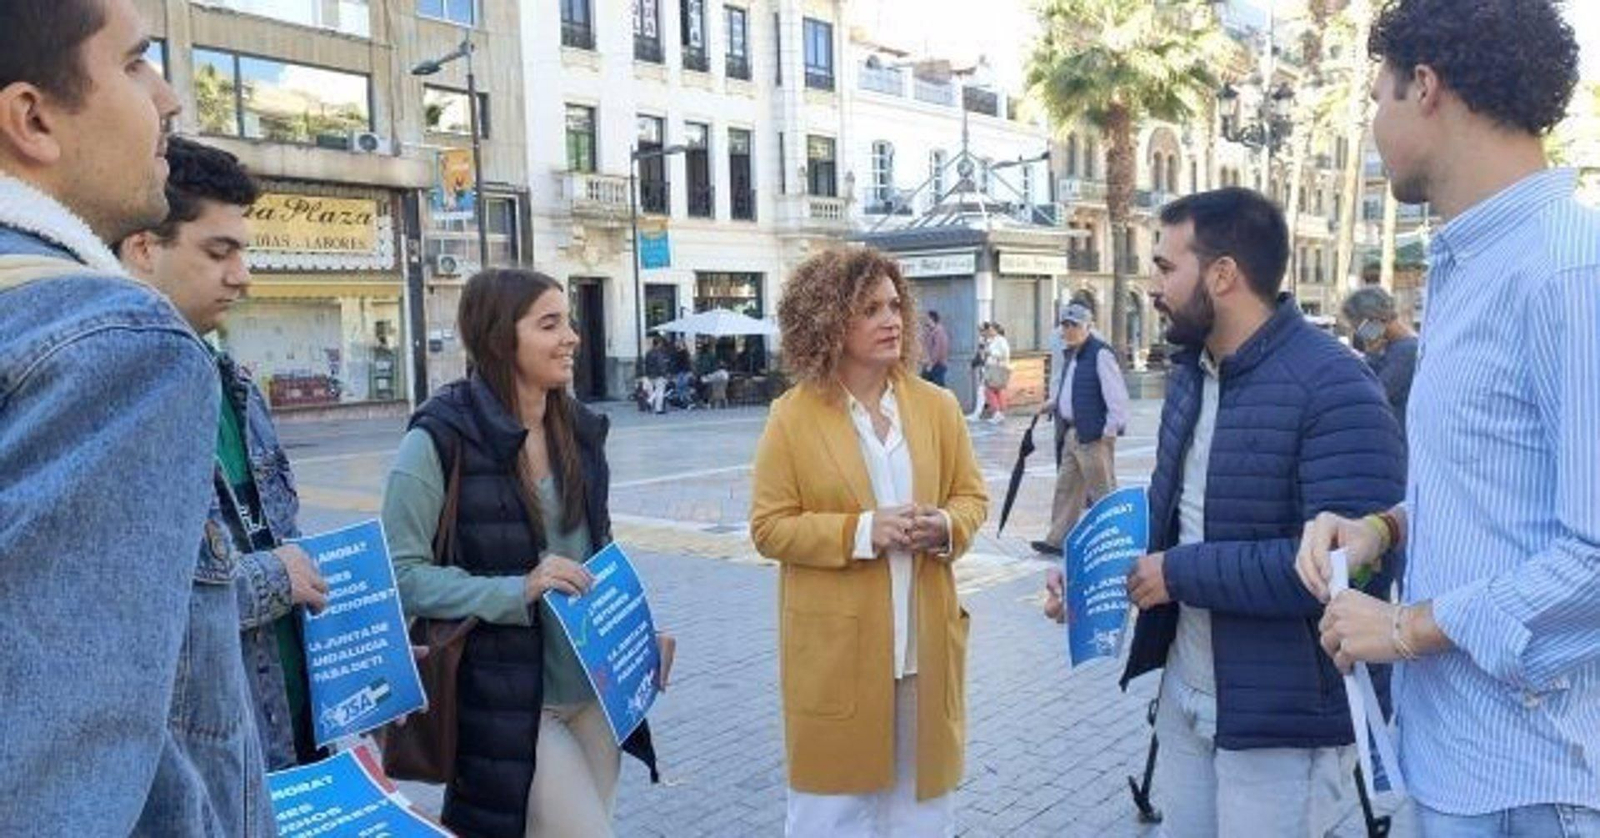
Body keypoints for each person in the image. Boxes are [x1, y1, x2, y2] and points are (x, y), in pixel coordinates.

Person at [1300, 2, 1600, 833]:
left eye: (1378, 97)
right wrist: (1383, 531)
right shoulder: (1474, 266)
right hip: (1457, 762)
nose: (1372, 125)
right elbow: (1502, 488)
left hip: (1535, 781)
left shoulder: (1569, 273)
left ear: (1424, 87)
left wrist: (1403, 627)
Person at [1046, 189, 1406, 837]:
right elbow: (1168, 511)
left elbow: (1339, 572)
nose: (1154, 286)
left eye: (1164, 267)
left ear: (1221, 275)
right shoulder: (1192, 372)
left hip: (1284, 725)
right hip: (1186, 698)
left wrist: (1177, 574)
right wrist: (1091, 577)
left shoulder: (1336, 387)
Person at [0, 1, 274, 833]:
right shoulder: (116, 344)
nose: (167, 99)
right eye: (134, 63)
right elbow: (55, 784)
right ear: (32, 118)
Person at [381, 269, 671, 837]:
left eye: (568, 321)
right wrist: (516, 589)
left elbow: (596, 552)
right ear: (499, 337)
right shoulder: (438, 438)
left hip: (597, 690)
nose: (572, 338)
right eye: (549, 324)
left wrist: (636, 636)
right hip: (509, 701)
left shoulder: (579, 431)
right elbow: (400, 575)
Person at [751, 247, 988, 837]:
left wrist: (946, 527)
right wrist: (862, 530)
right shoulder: (792, 416)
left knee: (922, 814)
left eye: (894, 305)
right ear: (829, 320)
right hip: (836, 651)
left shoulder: (936, 407)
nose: (892, 320)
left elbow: (971, 498)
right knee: (830, 815)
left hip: (924, 647)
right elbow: (769, 526)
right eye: (869, 309)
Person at [117, 136, 329, 770]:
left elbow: (278, 542)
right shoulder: (116, 397)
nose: (243, 275)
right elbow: (137, 607)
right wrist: (275, 580)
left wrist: (360, 667)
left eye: (243, 251)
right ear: (143, 250)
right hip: (212, 759)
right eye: (219, 251)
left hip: (295, 737)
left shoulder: (234, 384)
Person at [1030, 303, 1129, 556]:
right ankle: (1057, 540)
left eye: (1074, 325)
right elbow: (1072, 391)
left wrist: (1109, 431)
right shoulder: (1073, 354)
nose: (1069, 330)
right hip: (1072, 433)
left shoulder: (1100, 354)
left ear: (1088, 327)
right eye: (1065, 325)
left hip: (1094, 434)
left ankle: (1116, 540)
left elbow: (1116, 396)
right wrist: (1052, 405)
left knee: (1103, 491)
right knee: (1066, 489)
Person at [1341, 286, 1418, 439]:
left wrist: (1372, 356)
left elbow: (1373, 394)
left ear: (1373, 319)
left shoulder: (1407, 351)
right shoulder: (1389, 347)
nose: (1359, 333)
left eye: (1358, 326)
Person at [980, 321, 1012, 425]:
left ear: (996, 330)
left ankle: (997, 412)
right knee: (996, 390)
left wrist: (991, 353)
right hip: (993, 367)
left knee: (989, 390)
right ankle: (999, 414)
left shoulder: (1001, 340)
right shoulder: (992, 340)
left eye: (991, 329)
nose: (989, 331)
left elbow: (1005, 353)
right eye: (989, 329)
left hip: (997, 368)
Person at [919, 309, 950, 386]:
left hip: (937, 365)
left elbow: (937, 350)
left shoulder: (938, 332)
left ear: (932, 319)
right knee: (929, 386)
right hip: (932, 364)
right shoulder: (931, 331)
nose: (926, 320)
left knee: (935, 388)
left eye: (927, 318)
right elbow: (924, 343)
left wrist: (931, 364)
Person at [966, 322, 991, 420]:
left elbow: (984, 355)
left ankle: (978, 414)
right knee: (984, 391)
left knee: (982, 391)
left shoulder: (990, 341)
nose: (980, 333)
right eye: (979, 331)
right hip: (985, 370)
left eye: (982, 330)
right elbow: (979, 355)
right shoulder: (983, 341)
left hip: (991, 370)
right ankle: (980, 412)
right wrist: (973, 365)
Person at [643, 336, 672, 414]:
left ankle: (650, 401)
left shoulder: (648, 352)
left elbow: (645, 364)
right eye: (661, 343)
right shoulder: (659, 353)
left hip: (650, 374)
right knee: (660, 391)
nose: (661, 345)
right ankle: (658, 408)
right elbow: (660, 365)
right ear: (658, 344)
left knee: (654, 391)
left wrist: (647, 373)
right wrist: (665, 374)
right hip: (658, 374)